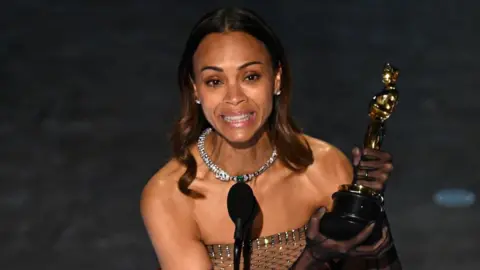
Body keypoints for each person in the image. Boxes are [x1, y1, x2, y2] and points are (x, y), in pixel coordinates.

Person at [141, 7, 402, 270]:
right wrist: (312, 259)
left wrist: (369, 208)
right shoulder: (170, 195)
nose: (234, 97)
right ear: (195, 89)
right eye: (214, 81)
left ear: (276, 79)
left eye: (250, 76)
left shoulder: (324, 168)